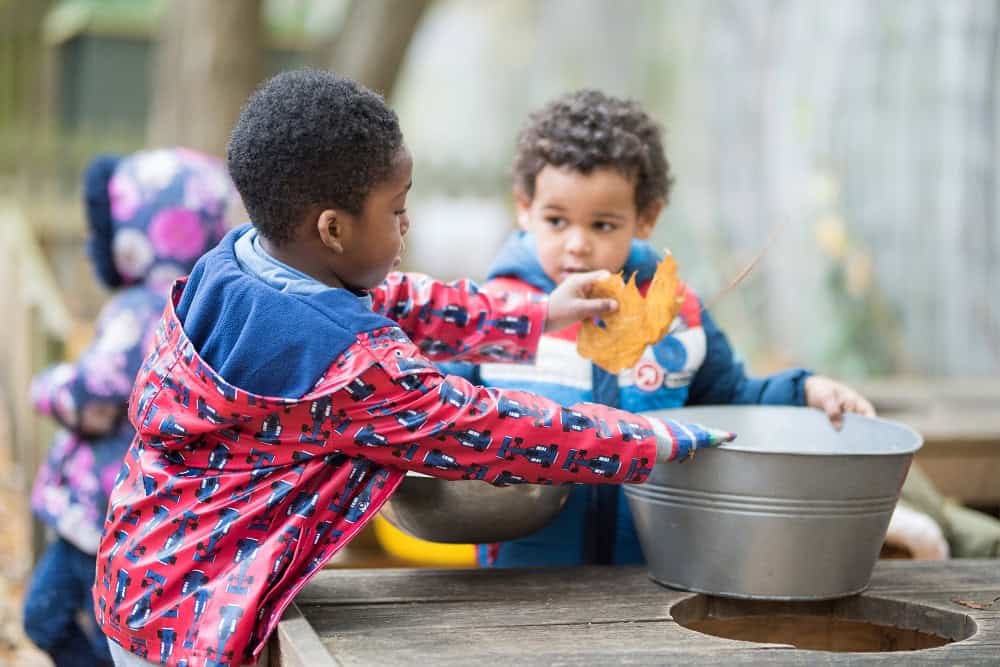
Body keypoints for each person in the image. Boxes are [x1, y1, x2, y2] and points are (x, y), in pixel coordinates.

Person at [95, 69, 735, 667]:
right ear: (334, 230)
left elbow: (409, 301)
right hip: (196, 612)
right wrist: (649, 440)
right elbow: (491, 428)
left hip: (149, 562)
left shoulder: (239, 268)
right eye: (397, 209)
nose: (407, 224)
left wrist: (538, 314)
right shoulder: (350, 371)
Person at [438, 89, 880, 568]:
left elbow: (730, 399)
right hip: (521, 577)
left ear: (645, 218)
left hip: (650, 568)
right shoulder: (495, 314)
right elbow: (440, 406)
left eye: (603, 225)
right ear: (525, 207)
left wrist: (804, 390)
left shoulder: (677, 314)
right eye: (556, 220)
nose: (578, 245)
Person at [24, 148, 240, 667]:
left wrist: (49, 386)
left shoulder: (139, 311)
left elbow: (92, 398)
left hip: (99, 507)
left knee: (46, 618)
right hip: (147, 514)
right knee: (114, 625)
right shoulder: (206, 308)